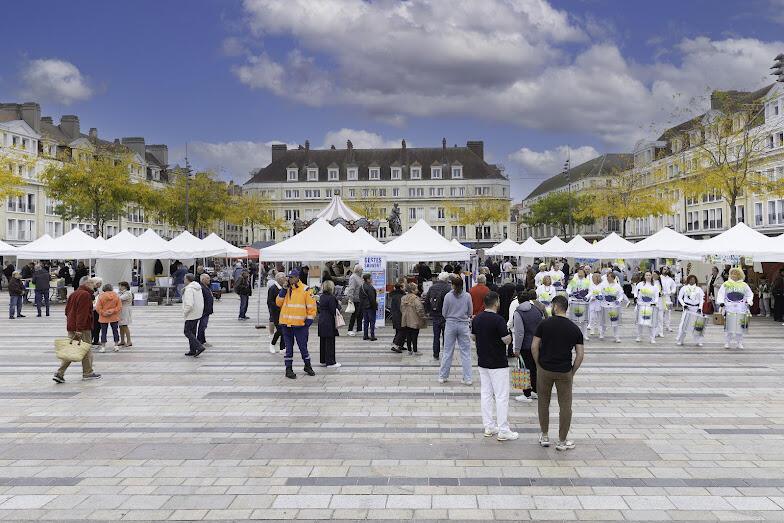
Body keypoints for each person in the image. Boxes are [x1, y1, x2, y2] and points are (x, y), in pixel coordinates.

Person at [531, 295, 584, 451]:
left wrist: (538, 364)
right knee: (565, 406)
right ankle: (562, 441)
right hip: (564, 371)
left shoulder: (544, 324)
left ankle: (545, 436)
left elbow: (534, 346)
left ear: (555, 307)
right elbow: (580, 354)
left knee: (543, 403)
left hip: (545, 369)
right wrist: (572, 371)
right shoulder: (574, 328)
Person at [470, 291, 518, 440]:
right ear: (496, 302)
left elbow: (473, 337)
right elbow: (507, 340)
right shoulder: (499, 320)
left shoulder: (477, 318)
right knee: (501, 396)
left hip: (483, 362)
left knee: (486, 394)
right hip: (498, 363)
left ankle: (489, 426)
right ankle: (503, 430)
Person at [55, 277, 101, 383]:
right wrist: (79, 328)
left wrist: (72, 324)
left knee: (72, 349)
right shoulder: (85, 295)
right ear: (86, 284)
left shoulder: (74, 294)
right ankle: (88, 373)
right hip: (82, 328)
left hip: (72, 326)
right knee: (86, 349)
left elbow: (67, 311)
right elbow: (82, 313)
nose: (93, 284)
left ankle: (59, 373)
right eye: (91, 282)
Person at [276, 269, 317, 379]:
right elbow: (278, 303)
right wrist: (283, 290)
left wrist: (308, 322)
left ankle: (307, 365)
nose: (290, 279)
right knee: (288, 348)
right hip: (286, 324)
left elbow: (312, 308)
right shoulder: (286, 289)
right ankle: (288, 369)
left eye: (292, 277)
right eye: (289, 277)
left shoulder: (306, 289)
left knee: (303, 347)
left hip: (300, 325)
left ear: (297, 277)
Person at [439, 275, 474, 385]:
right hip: (463, 324)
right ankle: (467, 378)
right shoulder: (467, 296)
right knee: (465, 353)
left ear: (453, 285)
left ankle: (443, 376)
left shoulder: (448, 296)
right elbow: (470, 312)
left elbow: (444, 312)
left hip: (450, 324)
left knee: (447, 351)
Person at [512, 290, 544, 403]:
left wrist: (516, 349)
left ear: (518, 301)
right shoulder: (537, 310)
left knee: (524, 369)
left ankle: (526, 394)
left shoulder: (518, 313)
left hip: (525, 346)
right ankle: (535, 391)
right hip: (538, 345)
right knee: (535, 369)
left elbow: (519, 332)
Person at [717, 267, 754, 349]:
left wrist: (749, 301)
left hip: (741, 308)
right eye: (732, 274)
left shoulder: (744, 285)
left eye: (736, 274)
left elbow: (749, 294)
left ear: (739, 275)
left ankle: (739, 343)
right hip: (729, 308)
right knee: (729, 327)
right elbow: (721, 294)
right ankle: (727, 342)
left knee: (740, 327)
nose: (734, 275)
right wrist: (721, 302)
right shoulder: (726, 284)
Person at [424, 272, 451, 360]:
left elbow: (427, 301)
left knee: (436, 336)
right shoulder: (448, 288)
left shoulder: (432, 287)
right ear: (447, 279)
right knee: (445, 336)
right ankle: (445, 354)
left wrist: (428, 311)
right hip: (445, 316)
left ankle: (436, 354)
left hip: (435, 315)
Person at [317, 280, 342, 368]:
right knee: (330, 342)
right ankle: (331, 362)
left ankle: (323, 360)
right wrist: (338, 305)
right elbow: (333, 310)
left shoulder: (322, 297)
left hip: (322, 320)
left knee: (323, 342)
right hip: (329, 321)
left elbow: (319, 309)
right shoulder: (331, 298)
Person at [676, 274, 706, 347]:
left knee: (698, 326)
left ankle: (698, 341)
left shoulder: (699, 289)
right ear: (688, 280)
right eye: (690, 279)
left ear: (695, 280)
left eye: (693, 279)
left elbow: (702, 299)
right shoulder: (684, 288)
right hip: (687, 308)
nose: (692, 280)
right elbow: (679, 297)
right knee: (684, 324)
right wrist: (684, 305)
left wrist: (700, 308)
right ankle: (681, 340)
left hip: (696, 309)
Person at [599, 272, 628, 343]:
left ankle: (616, 337)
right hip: (605, 304)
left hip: (614, 305)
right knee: (604, 320)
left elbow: (621, 294)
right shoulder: (603, 284)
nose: (608, 278)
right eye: (607, 277)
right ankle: (602, 333)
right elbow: (599, 292)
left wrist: (619, 300)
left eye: (609, 277)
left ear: (613, 278)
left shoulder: (617, 286)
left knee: (615, 322)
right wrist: (600, 296)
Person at [182, 273, 205, 357]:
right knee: (192, 332)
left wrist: (185, 312)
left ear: (187, 280)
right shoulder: (197, 287)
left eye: (185, 279)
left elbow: (189, 304)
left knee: (187, 332)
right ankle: (192, 350)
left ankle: (199, 346)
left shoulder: (189, 289)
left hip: (191, 314)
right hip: (198, 313)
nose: (184, 281)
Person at [400, 282, 427, 355]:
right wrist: (423, 317)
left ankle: (409, 350)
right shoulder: (416, 299)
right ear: (412, 290)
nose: (417, 290)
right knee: (415, 336)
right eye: (416, 288)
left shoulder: (403, 298)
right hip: (415, 319)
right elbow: (420, 309)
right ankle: (415, 350)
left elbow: (401, 309)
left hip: (406, 320)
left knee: (408, 335)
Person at [634, 271, 660, 344]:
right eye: (647, 275)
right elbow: (635, 292)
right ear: (644, 276)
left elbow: (656, 297)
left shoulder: (654, 286)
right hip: (641, 305)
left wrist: (655, 303)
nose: (648, 276)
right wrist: (635, 298)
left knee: (650, 323)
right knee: (640, 322)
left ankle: (652, 338)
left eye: (649, 275)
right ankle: (639, 336)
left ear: (651, 276)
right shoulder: (640, 284)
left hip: (650, 306)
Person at [95, 283, 122, 353]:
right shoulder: (116, 296)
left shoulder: (101, 296)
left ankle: (103, 347)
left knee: (103, 332)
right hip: (114, 316)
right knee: (115, 331)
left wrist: (104, 313)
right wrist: (112, 311)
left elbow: (98, 308)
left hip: (103, 317)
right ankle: (116, 346)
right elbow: (119, 307)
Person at [567, 269, 590, 340]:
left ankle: (584, 335)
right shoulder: (574, 281)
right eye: (579, 272)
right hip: (574, 301)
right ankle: (573, 334)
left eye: (581, 272)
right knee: (574, 320)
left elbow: (591, 291)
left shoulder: (587, 281)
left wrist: (587, 297)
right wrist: (569, 293)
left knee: (584, 320)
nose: (580, 274)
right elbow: (568, 289)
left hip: (583, 302)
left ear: (584, 273)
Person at [497, 278, 517, 357]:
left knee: (502, 332)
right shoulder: (513, 289)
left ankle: (501, 350)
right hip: (511, 311)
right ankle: (510, 351)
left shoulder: (500, 289)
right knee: (511, 331)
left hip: (502, 312)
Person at [267, 272, 285, 353]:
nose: (285, 279)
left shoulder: (284, 288)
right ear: (278, 279)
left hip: (284, 313)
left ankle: (282, 347)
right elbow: (270, 301)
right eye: (283, 278)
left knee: (284, 329)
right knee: (280, 329)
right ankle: (272, 344)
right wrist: (278, 307)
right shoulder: (273, 288)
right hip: (276, 313)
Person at [388, 280, 407, 353]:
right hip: (399, 316)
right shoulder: (400, 296)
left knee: (400, 330)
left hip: (396, 315)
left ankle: (400, 345)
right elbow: (401, 307)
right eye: (404, 286)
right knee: (401, 331)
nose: (405, 287)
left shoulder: (396, 295)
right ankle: (395, 345)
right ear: (401, 288)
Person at [345, 265, 364, 336]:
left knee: (360, 315)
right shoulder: (353, 277)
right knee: (354, 315)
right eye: (362, 269)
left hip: (360, 299)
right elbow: (351, 288)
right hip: (355, 299)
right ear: (358, 270)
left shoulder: (359, 277)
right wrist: (350, 298)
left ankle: (359, 329)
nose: (362, 270)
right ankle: (350, 329)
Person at [359, 273, 378, 341]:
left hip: (364, 306)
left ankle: (365, 335)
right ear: (368, 279)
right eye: (371, 277)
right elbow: (372, 298)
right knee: (372, 321)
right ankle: (372, 335)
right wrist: (375, 307)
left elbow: (360, 297)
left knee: (366, 321)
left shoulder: (362, 286)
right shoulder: (370, 287)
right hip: (370, 306)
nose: (372, 278)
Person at [197, 274, 214, 349]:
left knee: (203, 326)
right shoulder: (201, 288)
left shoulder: (206, 287)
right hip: (204, 310)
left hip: (207, 310)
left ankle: (201, 340)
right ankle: (201, 341)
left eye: (209, 278)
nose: (209, 280)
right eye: (207, 278)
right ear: (202, 279)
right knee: (202, 326)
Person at [660, 267, 677, 333]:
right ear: (661, 270)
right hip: (660, 297)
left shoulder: (670, 279)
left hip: (668, 298)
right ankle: (660, 327)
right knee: (660, 313)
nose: (666, 270)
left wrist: (673, 292)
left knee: (668, 313)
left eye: (667, 269)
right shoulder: (659, 278)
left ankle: (668, 326)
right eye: (664, 269)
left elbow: (674, 286)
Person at [587, 272, 604, 337]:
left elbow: (602, 293)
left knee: (600, 317)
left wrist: (599, 296)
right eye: (593, 278)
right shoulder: (591, 285)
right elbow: (590, 293)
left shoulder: (601, 285)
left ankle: (600, 329)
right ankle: (592, 328)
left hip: (599, 303)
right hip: (592, 302)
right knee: (592, 317)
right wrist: (591, 297)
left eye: (595, 278)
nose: (593, 280)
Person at [117, 281, 133, 348]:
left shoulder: (127, 293)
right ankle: (122, 340)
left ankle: (129, 341)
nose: (119, 287)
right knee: (120, 326)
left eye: (120, 286)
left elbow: (119, 299)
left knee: (125, 325)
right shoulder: (120, 293)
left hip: (125, 310)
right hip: (120, 310)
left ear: (124, 286)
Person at [90, 278, 103, 347]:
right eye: (99, 283)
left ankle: (96, 340)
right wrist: (94, 295)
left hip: (97, 309)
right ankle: (90, 340)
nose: (100, 284)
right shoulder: (91, 290)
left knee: (98, 326)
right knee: (93, 325)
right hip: (93, 310)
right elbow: (89, 299)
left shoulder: (97, 290)